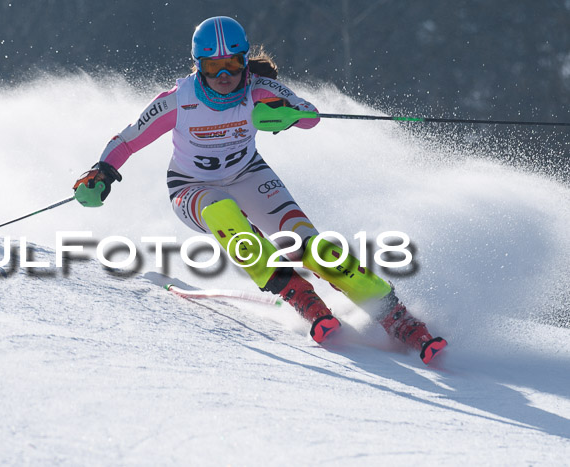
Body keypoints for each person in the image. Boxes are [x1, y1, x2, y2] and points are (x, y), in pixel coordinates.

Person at [73, 16, 447, 364]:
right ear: (197, 66)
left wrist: (288, 113)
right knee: (224, 214)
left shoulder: (259, 88)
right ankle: (298, 294)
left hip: (249, 173)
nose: (223, 75)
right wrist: (102, 172)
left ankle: (395, 317)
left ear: (244, 61)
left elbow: (311, 115)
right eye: (211, 67)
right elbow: (128, 138)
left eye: (233, 65)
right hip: (191, 187)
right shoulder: (178, 99)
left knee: (312, 246)